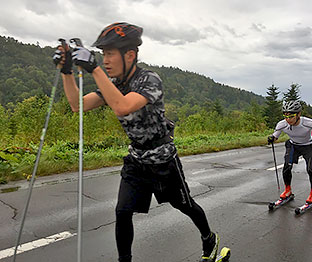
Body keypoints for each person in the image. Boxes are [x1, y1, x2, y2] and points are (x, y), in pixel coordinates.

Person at [53, 22, 219, 262]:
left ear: (129, 55)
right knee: (122, 212)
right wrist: (66, 71)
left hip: (163, 160)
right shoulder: (115, 84)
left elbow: (122, 106)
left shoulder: (149, 80)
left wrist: (94, 69)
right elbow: (78, 105)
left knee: (185, 206)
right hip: (137, 161)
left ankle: (209, 238)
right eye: (102, 54)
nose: (105, 59)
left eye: (110, 54)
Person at [267, 100, 312, 203]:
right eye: (286, 116)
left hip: (309, 146)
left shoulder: (308, 123)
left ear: (299, 114)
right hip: (293, 145)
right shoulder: (281, 124)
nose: (288, 119)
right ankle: (287, 190)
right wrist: (271, 138)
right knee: (287, 167)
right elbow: (275, 136)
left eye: (291, 116)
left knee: (310, 169)